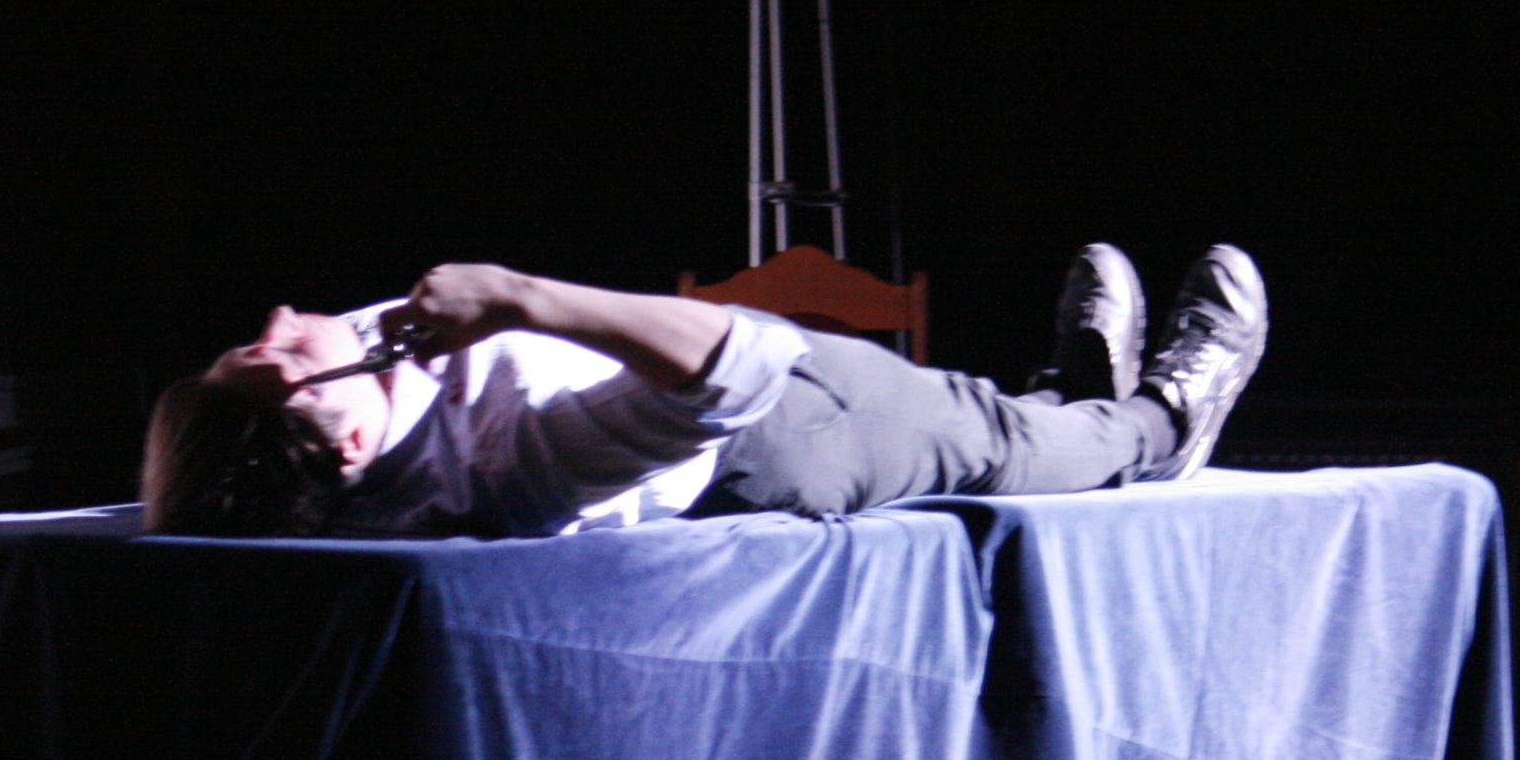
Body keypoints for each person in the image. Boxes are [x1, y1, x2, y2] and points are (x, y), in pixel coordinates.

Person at [141, 243, 1267, 539]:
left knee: (1004, 419)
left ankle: (1076, 391)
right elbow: (745, 364)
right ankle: (1162, 423)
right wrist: (521, 297)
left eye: (252, 342)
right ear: (347, 449)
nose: (284, 319)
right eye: (284, 360)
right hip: (780, 432)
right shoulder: (514, 461)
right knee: (993, 437)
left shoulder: (362, 389)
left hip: (754, 404)